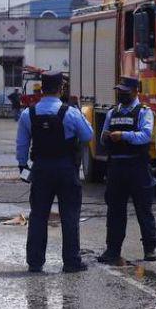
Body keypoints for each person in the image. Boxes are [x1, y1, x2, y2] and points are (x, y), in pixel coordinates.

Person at [16, 72, 93, 273]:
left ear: (42, 89)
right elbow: (88, 135)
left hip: (41, 169)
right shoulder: (70, 112)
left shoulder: (28, 114)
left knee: (38, 216)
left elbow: (22, 144)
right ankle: (71, 261)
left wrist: (23, 166)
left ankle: (35, 261)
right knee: (70, 215)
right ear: (61, 89)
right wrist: (77, 111)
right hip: (66, 168)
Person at [97, 77, 156, 265]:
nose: (121, 94)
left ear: (135, 91)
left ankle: (149, 249)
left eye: (125, 91)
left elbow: (146, 136)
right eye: (119, 90)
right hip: (116, 167)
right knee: (115, 211)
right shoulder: (112, 113)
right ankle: (112, 250)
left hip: (137, 167)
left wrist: (123, 135)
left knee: (143, 210)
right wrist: (108, 137)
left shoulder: (144, 112)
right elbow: (101, 139)